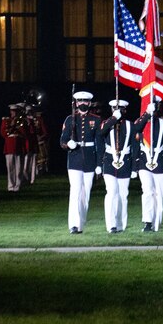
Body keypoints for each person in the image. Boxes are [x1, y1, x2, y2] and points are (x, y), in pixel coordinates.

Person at [59, 90, 103, 234]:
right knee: (75, 191)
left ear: (89, 103)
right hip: (75, 159)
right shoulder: (70, 119)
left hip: (90, 159)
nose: (82, 103)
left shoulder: (96, 120)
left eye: (85, 101)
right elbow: (62, 141)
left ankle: (81, 223)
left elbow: (99, 144)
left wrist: (99, 164)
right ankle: (74, 224)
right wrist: (68, 144)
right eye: (80, 101)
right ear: (76, 103)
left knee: (85, 194)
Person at [99, 98, 139, 233]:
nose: (118, 111)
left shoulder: (130, 125)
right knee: (111, 192)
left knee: (123, 194)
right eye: (115, 109)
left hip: (125, 162)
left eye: (121, 109)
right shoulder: (106, 123)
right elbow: (101, 133)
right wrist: (113, 119)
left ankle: (121, 224)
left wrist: (134, 168)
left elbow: (135, 147)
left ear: (125, 110)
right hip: (109, 162)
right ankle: (111, 225)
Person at [133, 95, 163, 232]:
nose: (154, 106)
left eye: (156, 104)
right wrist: (147, 114)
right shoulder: (142, 121)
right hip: (144, 160)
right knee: (147, 192)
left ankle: (157, 221)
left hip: (159, 160)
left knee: (159, 193)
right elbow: (135, 129)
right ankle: (147, 222)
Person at [0, 105, 27, 192]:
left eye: (15, 111)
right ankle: (10, 186)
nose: (13, 113)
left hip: (18, 145)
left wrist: (18, 125)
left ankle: (18, 186)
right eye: (12, 111)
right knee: (10, 167)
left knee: (19, 168)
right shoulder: (6, 120)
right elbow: (3, 133)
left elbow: (24, 133)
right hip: (9, 146)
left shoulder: (22, 121)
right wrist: (12, 126)